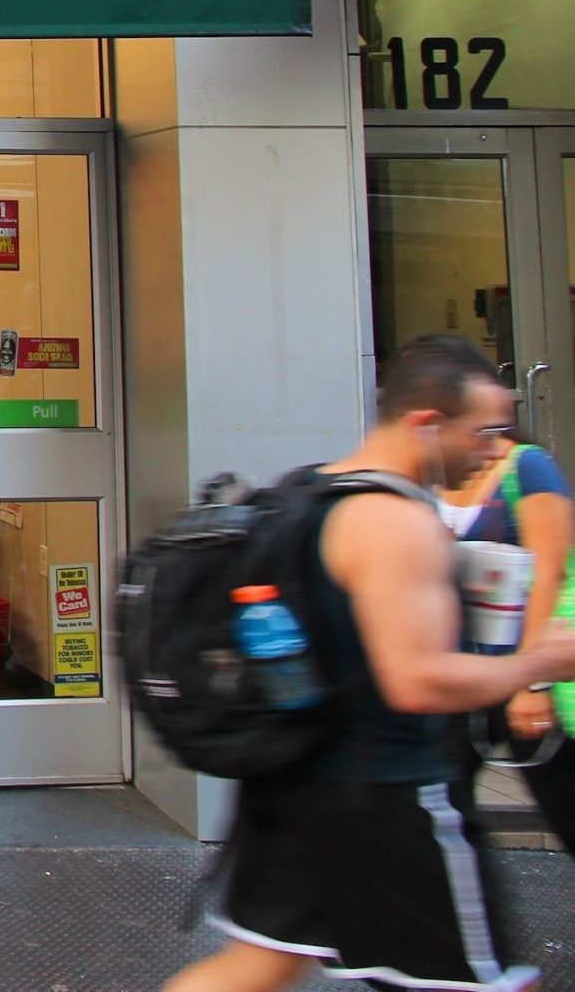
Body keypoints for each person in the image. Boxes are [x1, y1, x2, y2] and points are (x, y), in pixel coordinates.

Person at [166, 335, 575, 992]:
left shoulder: (310, 492)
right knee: (488, 984)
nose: (497, 449)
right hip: (391, 799)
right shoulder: (394, 523)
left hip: (293, 786)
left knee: (254, 967)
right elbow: (417, 681)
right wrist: (540, 660)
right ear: (426, 424)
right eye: (485, 431)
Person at [438, 407, 575, 852]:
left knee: (564, 801)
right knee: (446, 807)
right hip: (465, 677)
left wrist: (533, 681)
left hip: (531, 674)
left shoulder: (526, 465)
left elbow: (550, 571)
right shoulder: (433, 474)